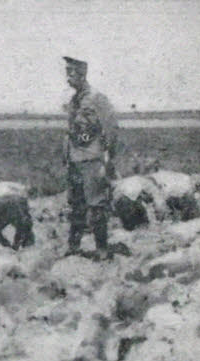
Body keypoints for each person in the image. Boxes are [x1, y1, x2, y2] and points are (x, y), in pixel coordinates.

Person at [62, 56, 121, 260]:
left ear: (82, 73)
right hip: (75, 160)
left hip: (92, 159)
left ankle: (102, 249)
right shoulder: (73, 100)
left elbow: (111, 128)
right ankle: (73, 247)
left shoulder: (96, 98)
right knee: (76, 204)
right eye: (66, 72)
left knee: (96, 204)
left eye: (71, 72)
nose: (67, 76)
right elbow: (72, 131)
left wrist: (109, 158)